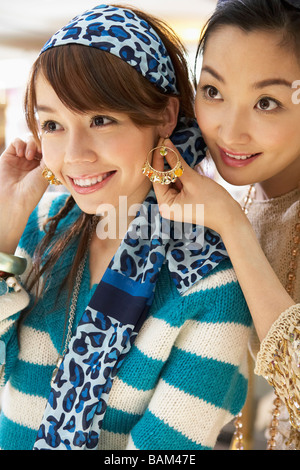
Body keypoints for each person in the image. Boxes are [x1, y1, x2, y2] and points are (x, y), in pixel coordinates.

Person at [0, 4, 252, 451]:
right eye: (53, 125)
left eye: (101, 120)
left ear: (165, 117)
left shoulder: (209, 282)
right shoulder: (41, 230)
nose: (74, 154)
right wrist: (3, 229)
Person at [152, 0, 300, 450]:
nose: (230, 132)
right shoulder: (240, 196)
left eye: (267, 102)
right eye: (213, 91)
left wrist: (233, 228)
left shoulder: (229, 211)